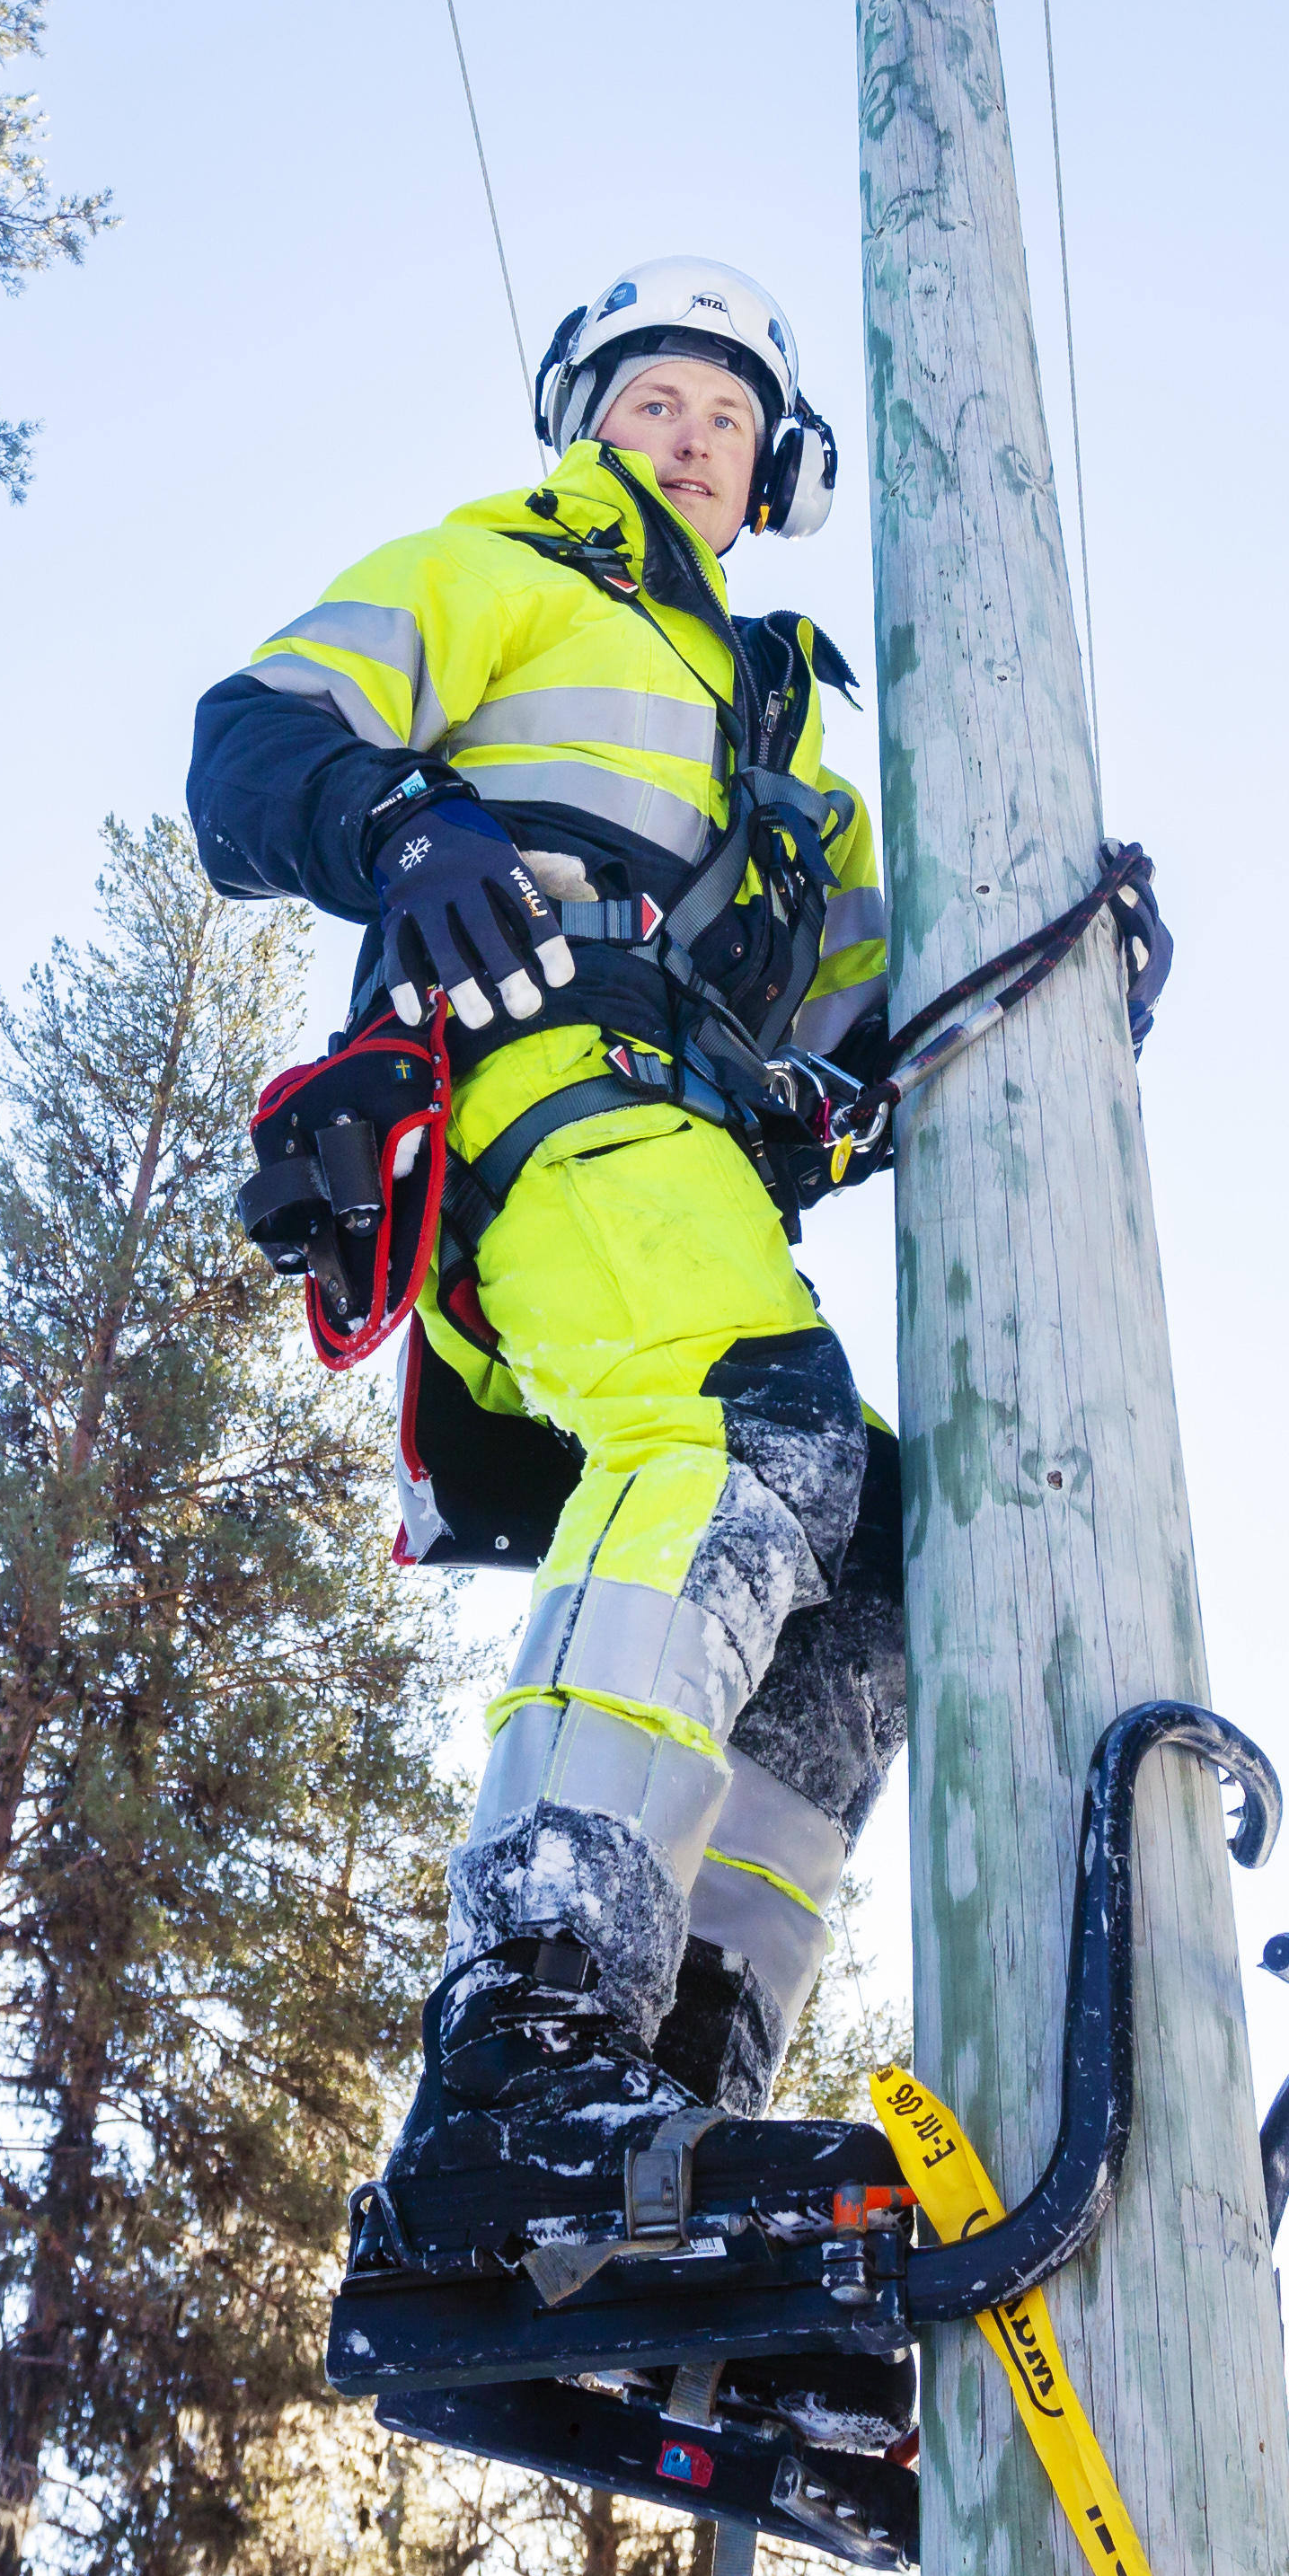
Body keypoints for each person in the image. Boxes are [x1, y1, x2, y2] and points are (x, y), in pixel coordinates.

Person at [189, 257, 896, 2174]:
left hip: (689, 1142)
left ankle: (674, 2084)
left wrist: (1080, 978)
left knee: (884, 1559)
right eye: (655, 402)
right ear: (590, 419)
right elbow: (248, 749)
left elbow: (884, 1017)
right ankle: (533, 2020)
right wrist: (402, 822)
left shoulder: (788, 752)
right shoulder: (496, 571)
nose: (687, 441)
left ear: (776, 479)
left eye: (727, 421)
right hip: (534, 1088)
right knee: (737, 1423)